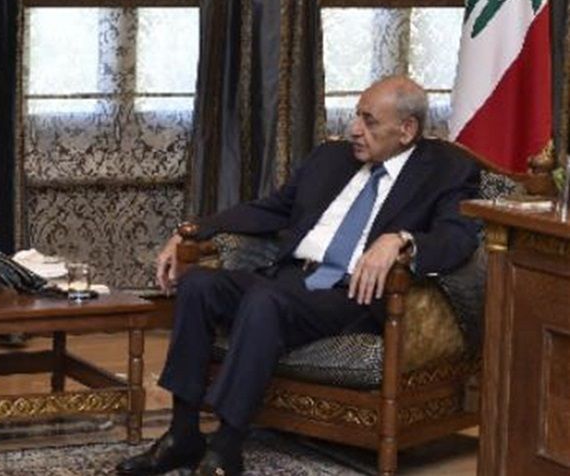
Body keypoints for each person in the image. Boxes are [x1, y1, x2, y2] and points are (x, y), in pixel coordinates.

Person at [116, 76, 481, 476]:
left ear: (407, 130)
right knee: (199, 284)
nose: (354, 130)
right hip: (292, 279)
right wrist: (194, 230)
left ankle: (226, 445)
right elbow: (272, 209)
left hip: (351, 295)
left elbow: (457, 239)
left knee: (264, 301)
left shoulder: (447, 170)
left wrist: (401, 240)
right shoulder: (331, 158)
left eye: (370, 121)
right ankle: (182, 434)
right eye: (357, 116)